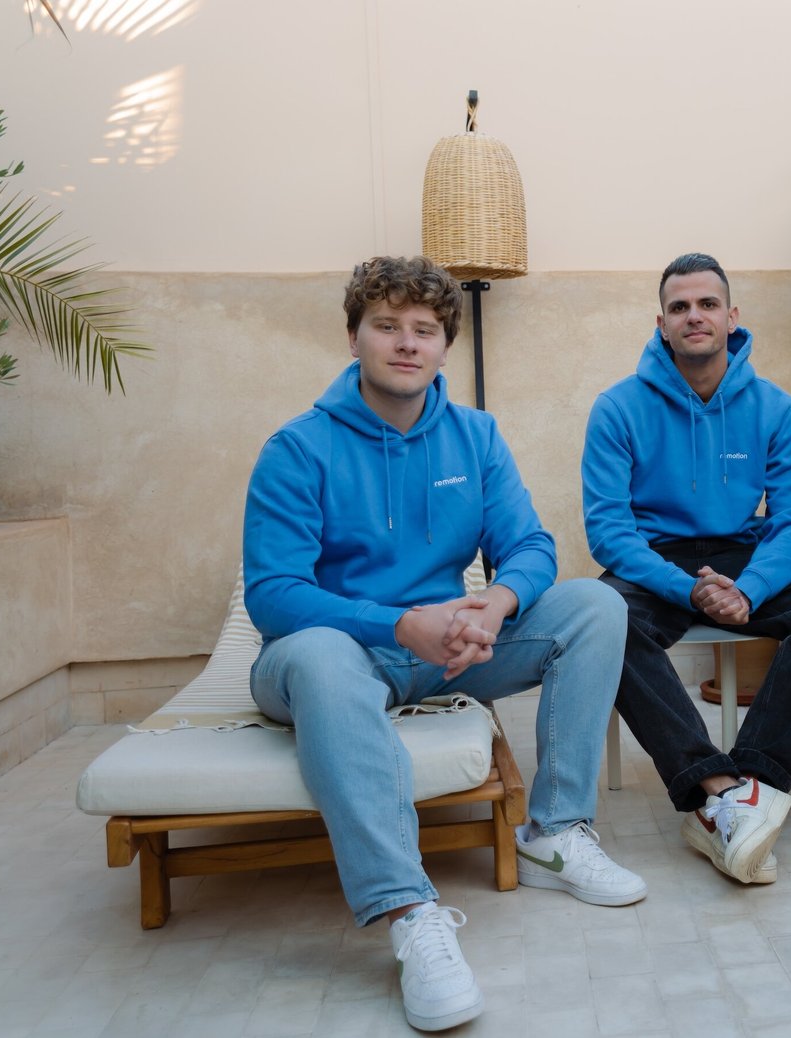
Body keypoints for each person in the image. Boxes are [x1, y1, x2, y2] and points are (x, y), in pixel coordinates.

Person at [243, 256, 645, 1032]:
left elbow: (529, 545)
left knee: (595, 604)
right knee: (322, 655)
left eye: (424, 330)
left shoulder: (476, 436)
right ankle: (409, 912)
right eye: (386, 325)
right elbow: (274, 593)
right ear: (353, 337)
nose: (406, 343)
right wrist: (398, 624)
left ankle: (556, 833)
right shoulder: (297, 448)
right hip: (332, 657)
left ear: (443, 346)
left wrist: (495, 605)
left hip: (448, 655)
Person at [581, 252, 791, 885]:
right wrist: (688, 590)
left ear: (731, 316)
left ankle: (753, 779)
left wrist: (748, 589)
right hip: (655, 561)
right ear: (662, 323)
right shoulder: (618, 407)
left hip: (744, 558)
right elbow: (609, 531)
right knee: (604, 621)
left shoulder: (776, 408)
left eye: (707, 304)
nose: (694, 316)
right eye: (679, 307)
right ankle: (712, 785)